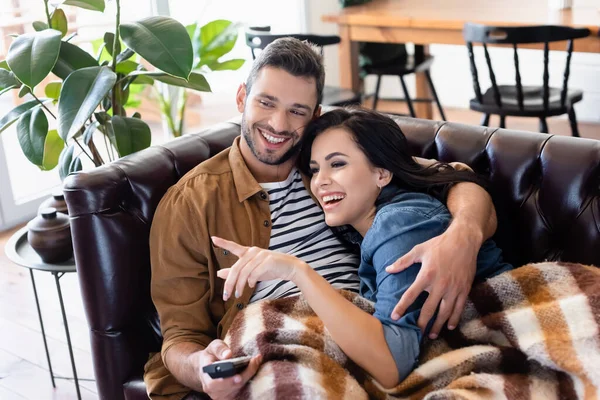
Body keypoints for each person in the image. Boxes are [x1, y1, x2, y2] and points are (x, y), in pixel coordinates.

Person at [144, 38, 498, 400]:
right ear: (241, 99)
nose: (279, 124)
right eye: (266, 103)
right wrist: (203, 369)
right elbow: (179, 337)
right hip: (279, 334)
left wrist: (463, 237)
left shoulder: (328, 161)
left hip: (372, 326)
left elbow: (453, 176)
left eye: (297, 111)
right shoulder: (191, 202)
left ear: (314, 116)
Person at [213, 107, 513, 388]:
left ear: (382, 173)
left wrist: (296, 271)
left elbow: (391, 365)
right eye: (315, 169)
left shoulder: (397, 223)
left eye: (338, 164)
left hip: (504, 328)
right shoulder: (362, 219)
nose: (320, 182)